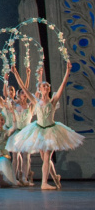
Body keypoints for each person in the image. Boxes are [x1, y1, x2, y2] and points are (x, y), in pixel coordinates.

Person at [9, 62, 83, 190]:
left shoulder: (53, 100)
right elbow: (23, 88)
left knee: (47, 156)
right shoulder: (35, 101)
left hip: (50, 130)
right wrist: (15, 73)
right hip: (39, 129)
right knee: (45, 158)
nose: (46, 88)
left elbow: (62, 86)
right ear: (40, 89)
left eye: (47, 86)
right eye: (43, 86)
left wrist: (67, 71)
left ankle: (44, 183)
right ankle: (55, 178)